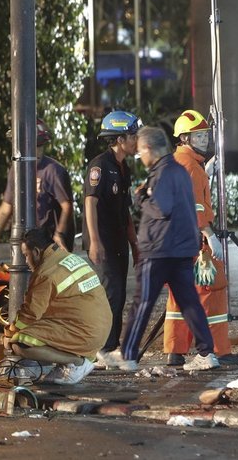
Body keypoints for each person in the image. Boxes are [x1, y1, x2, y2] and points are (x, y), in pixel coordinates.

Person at [101, 126, 220, 372]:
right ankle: (206, 353)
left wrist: (142, 198)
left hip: (160, 249)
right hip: (181, 248)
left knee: (142, 302)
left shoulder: (163, 172)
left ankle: (128, 354)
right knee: (189, 302)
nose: (139, 157)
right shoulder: (178, 169)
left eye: (140, 151)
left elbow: (162, 208)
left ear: (148, 149)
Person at [162, 110, 235, 366]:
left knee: (178, 297)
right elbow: (195, 207)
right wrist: (209, 235)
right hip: (194, 240)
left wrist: (206, 168)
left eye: (205, 135)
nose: (204, 140)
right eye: (199, 136)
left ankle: (175, 351)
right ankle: (215, 350)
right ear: (184, 138)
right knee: (211, 291)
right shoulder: (191, 167)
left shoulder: (178, 162)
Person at [4, 228, 111, 385]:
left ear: (36, 252)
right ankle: (70, 363)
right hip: (100, 327)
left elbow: (30, 314)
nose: (26, 261)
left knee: (20, 343)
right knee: (40, 325)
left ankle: (76, 362)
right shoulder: (67, 257)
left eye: (26, 255)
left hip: (86, 331)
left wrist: (9, 334)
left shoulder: (45, 273)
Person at [82, 110, 140, 365]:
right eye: (133, 135)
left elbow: (125, 210)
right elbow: (90, 204)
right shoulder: (99, 165)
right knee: (111, 295)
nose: (137, 140)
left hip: (118, 243)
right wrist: (94, 241)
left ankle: (111, 348)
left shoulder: (123, 168)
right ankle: (102, 349)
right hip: (103, 243)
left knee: (119, 296)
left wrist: (134, 244)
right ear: (120, 138)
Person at [0, 119, 74, 259]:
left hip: (49, 242)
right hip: (26, 242)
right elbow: (6, 207)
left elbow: (67, 206)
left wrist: (59, 235)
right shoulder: (16, 170)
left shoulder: (52, 171)